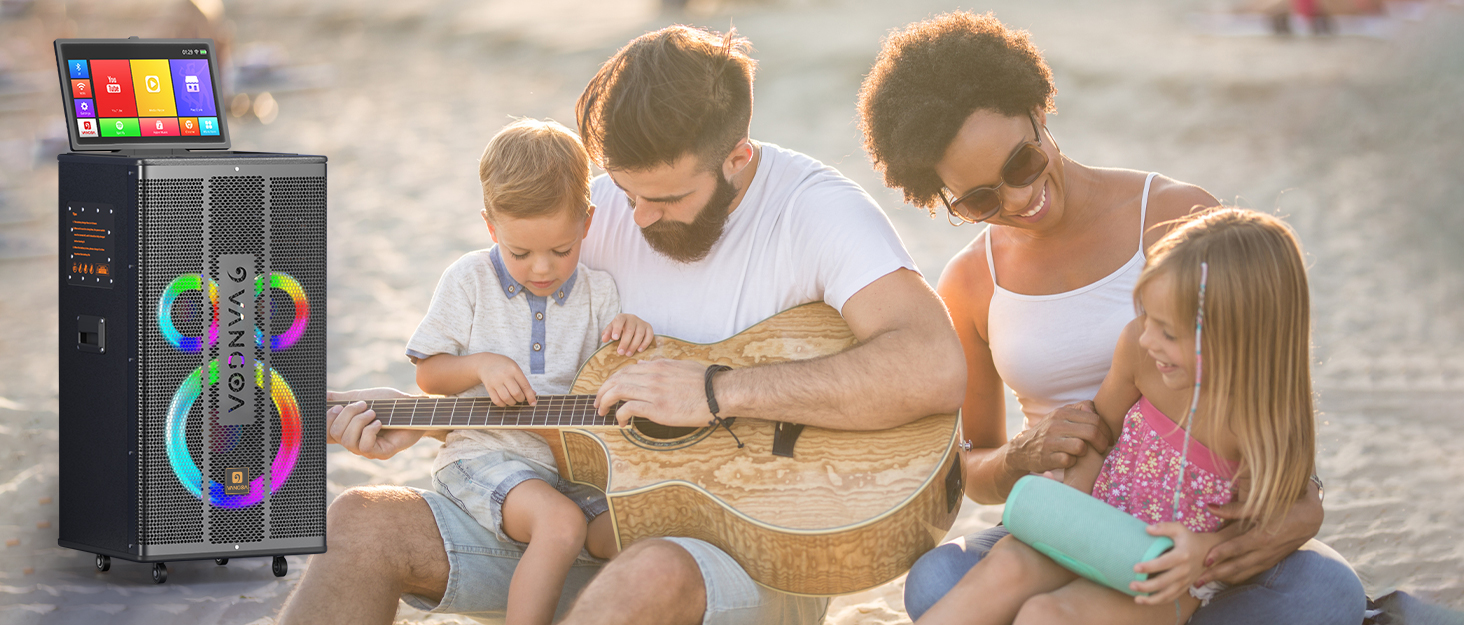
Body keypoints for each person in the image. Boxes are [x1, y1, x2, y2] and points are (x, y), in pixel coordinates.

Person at [279, 25, 965, 625]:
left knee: (649, 568)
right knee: (361, 523)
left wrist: (717, 390)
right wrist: (427, 418)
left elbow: (932, 366)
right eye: (626, 190)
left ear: (737, 158)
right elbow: (554, 392)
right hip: (568, 524)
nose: (635, 216)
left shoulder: (815, 213)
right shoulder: (587, 212)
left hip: (748, 553)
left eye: (665, 197)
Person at [854, 10, 1364, 623]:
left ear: (1037, 110)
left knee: (1323, 591)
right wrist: (1019, 457)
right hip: (1077, 512)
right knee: (936, 580)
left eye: (1021, 163)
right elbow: (971, 465)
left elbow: (1266, 382)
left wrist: (1302, 504)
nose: (1020, 199)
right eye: (980, 199)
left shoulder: (1175, 215)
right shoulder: (969, 281)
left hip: (1201, 523)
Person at [917, 208, 1322, 624]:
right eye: (1147, 317)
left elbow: (1262, 524)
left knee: (1047, 614)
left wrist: (1202, 553)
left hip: (1164, 570)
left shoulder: (1260, 423)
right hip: (1098, 522)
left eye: (1168, 331)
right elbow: (1100, 432)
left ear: (1237, 335)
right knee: (1004, 568)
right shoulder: (1141, 351)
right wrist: (1068, 505)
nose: (1147, 338)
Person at [404, 118, 654, 625]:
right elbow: (428, 374)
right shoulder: (469, 280)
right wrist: (480, 365)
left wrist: (633, 332)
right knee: (560, 525)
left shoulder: (600, 293)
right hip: (487, 454)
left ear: (586, 222)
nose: (542, 268)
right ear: (491, 227)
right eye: (519, 252)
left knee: (636, 530)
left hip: (575, 467)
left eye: (561, 250)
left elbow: (616, 377)